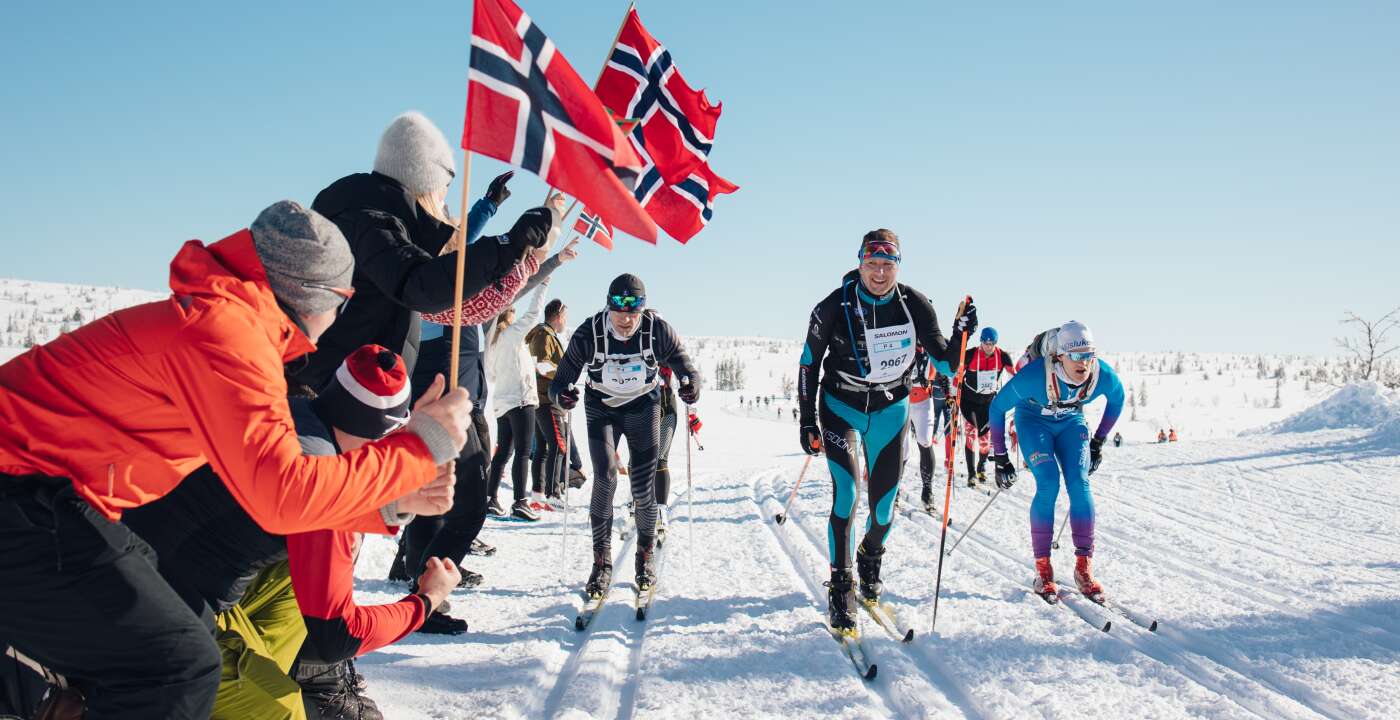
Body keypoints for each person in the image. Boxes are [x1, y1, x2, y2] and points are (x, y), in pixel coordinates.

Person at [0, 202, 470, 718]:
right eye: (344, 299)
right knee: (179, 665)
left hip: (54, 495)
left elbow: (254, 489)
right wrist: (420, 446)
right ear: (313, 296)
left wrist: (390, 499)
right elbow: (282, 498)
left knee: (183, 644)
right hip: (25, 492)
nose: (341, 316)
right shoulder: (229, 335)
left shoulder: (231, 326)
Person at [125, 345, 463, 719]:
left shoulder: (293, 415)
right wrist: (425, 601)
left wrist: (401, 491)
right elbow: (341, 634)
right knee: (283, 712)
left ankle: (273, 675)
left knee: (294, 574)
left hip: (141, 570)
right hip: (152, 621)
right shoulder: (324, 474)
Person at [796, 229, 976, 630]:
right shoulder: (832, 306)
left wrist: (962, 332)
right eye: (872, 264)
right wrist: (807, 418)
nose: (879, 273)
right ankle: (841, 585)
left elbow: (947, 364)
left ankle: (870, 556)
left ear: (898, 265)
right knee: (846, 494)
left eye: (887, 265)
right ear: (860, 262)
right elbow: (809, 363)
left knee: (883, 508)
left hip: (891, 409)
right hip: (840, 405)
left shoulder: (915, 305)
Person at [289, 111, 543, 391]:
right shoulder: (369, 223)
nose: (443, 200)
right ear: (424, 180)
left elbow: (444, 251)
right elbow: (421, 281)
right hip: (328, 389)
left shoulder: (370, 214)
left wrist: (490, 208)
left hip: (347, 387)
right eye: (444, 188)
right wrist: (507, 246)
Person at [550, 274, 699, 598]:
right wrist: (562, 395)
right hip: (601, 408)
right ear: (609, 306)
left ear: (642, 309)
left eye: (634, 312)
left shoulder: (657, 330)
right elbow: (559, 381)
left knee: (643, 488)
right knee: (605, 477)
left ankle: (644, 561)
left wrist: (690, 385)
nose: (626, 319)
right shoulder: (589, 332)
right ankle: (600, 565)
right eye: (620, 311)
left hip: (644, 408)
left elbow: (687, 367)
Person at [986, 320, 1125, 601]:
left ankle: (1083, 568)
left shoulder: (1101, 375)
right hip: (1033, 421)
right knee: (1049, 482)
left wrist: (1098, 442)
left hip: (1071, 421)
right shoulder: (1037, 375)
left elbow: (1117, 399)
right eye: (1075, 356)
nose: (1083, 363)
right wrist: (1000, 456)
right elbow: (998, 407)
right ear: (1059, 356)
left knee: (1079, 483)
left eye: (1088, 355)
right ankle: (1043, 569)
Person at [486, 284, 551, 521]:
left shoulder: (492, 341)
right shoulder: (512, 335)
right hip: (521, 400)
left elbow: (491, 374)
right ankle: (520, 502)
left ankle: (490, 498)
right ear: (509, 314)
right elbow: (534, 314)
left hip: (502, 402)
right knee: (524, 452)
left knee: (503, 452)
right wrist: (543, 283)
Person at [527, 298, 572, 506]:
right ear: (559, 316)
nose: (565, 321)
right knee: (559, 445)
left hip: (546, 398)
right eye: (565, 317)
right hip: (547, 399)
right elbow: (542, 365)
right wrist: (562, 377)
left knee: (545, 447)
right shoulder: (544, 335)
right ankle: (553, 493)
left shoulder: (548, 335)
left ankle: (539, 494)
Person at [959, 326, 1017, 486]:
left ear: (996, 343)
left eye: (991, 344)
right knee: (971, 435)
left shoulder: (1003, 357)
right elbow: (956, 374)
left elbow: (1015, 377)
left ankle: (981, 466)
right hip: (968, 401)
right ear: (981, 342)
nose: (988, 347)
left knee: (985, 440)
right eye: (985, 343)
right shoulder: (970, 354)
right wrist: (952, 393)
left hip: (987, 403)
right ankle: (971, 474)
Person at [907, 343, 941, 510]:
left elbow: (944, 370)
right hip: (902, 403)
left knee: (925, 441)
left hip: (924, 403)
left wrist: (949, 393)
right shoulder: (904, 342)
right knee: (902, 449)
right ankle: (895, 491)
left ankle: (927, 491)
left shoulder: (931, 348)